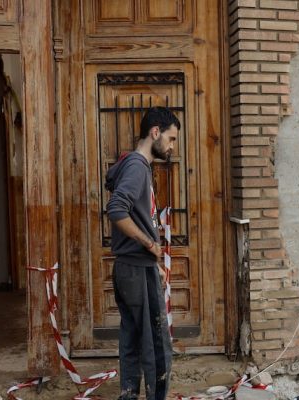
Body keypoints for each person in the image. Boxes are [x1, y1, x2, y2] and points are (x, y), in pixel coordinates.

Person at [105, 106, 179, 400]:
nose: (172, 147)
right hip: (136, 268)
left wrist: (154, 261)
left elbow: (136, 216)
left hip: (130, 267)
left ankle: (129, 395)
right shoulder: (137, 166)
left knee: (133, 338)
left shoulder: (132, 164)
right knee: (157, 343)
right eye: (171, 139)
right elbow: (117, 210)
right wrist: (150, 246)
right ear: (155, 132)